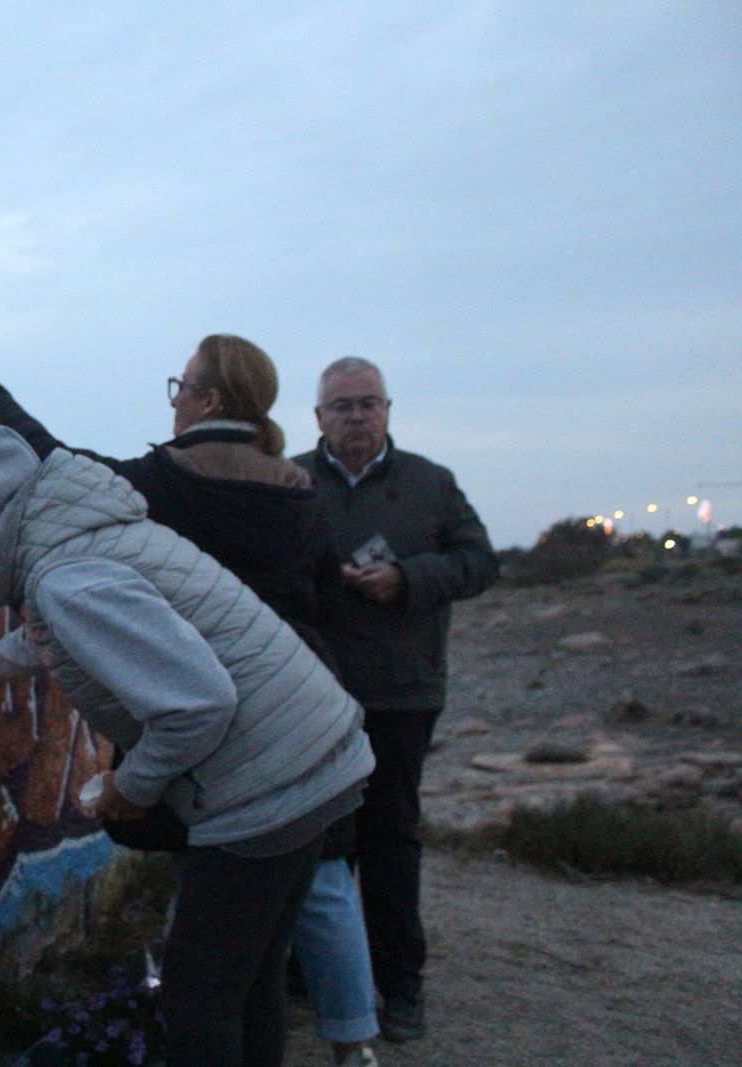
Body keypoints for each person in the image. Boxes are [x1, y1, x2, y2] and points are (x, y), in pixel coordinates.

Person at [0, 337, 381, 1065]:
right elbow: (78, 621)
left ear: (209, 400)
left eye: (182, 385)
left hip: (241, 753)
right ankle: (357, 1039)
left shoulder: (160, 487)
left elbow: (48, 461)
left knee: (199, 989)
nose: (175, 398)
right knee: (264, 962)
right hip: (305, 720)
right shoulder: (298, 488)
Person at [295, 357, 500, 1043]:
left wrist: (408, 578)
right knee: (315, 844)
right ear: (317, 416)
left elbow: (481, 562)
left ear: (389, 410)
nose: (356, 416)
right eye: (341, 405)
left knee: (389, 843)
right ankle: (309, 974)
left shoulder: (431, 484)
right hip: (309, 696)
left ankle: (400, 986)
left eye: (368, 403)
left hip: (401, 692)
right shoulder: (291, 481)